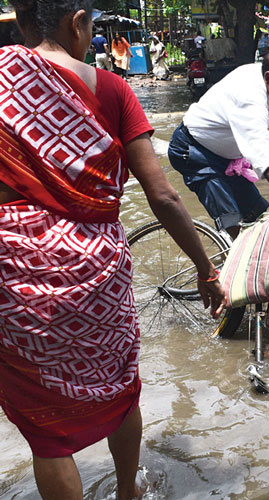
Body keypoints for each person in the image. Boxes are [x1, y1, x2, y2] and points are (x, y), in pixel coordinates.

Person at [0, 2, 227, 499]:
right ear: (77, 22)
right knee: (121, 392)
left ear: (20, 20)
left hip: (14, 270)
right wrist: (206, 268)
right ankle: (129, 490)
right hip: (95, 269)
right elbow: (163, 195)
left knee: (47, 433)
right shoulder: (113, 90)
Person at [167, 48, 269, 238]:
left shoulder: (266, 77)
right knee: (233, 224)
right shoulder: (249, 97)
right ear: (268, 78)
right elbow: (263, 157)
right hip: (194, 151)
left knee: (257, 214)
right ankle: (224, 260)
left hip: (226, 158)